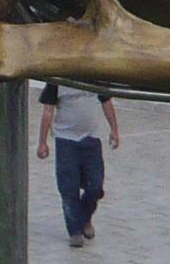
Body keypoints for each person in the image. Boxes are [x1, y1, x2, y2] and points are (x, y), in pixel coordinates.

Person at [36, 79, 120, 247]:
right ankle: (74, 231)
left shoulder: (94, 76)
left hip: (91, 139)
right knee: (68, 190)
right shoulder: (57, 81)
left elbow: (107, 101)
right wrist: (42, 141)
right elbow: (48, 110)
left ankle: (85, 218)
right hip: (66, 141)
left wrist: (114, 130)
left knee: (95, 186)